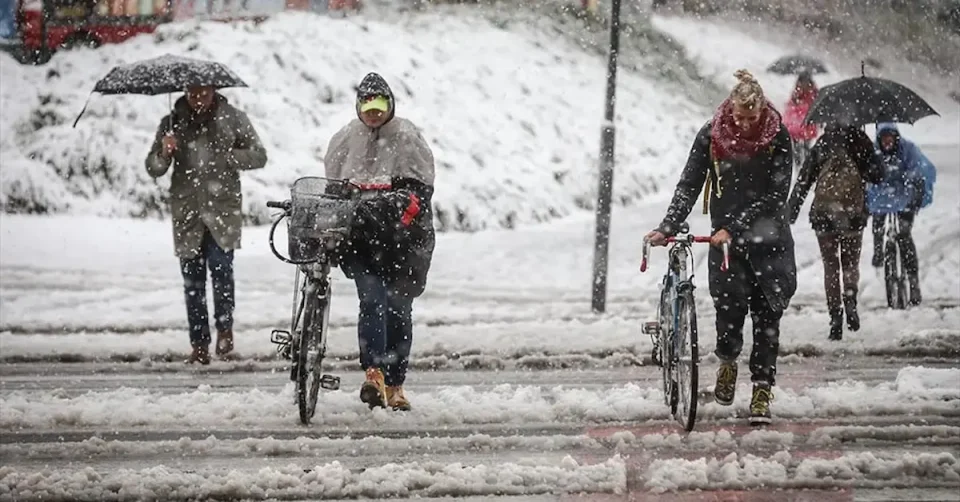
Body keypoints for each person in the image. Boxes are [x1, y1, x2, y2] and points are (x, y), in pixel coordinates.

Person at [645, 69, 796, 426]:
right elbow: (690, 182)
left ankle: (762, 388)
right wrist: (668, 225)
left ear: (762, 111)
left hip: (769, 240)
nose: (744, 125)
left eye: (751, 118)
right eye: (739, 117)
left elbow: (777, 195)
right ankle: (728, 363)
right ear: (730, 109)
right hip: (724, 242)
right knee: (728, 313)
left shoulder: (778, 138)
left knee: (767, 317)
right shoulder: (713, 133)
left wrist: (735, 226)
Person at [324, 72, 436, 411]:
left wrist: (398, 213)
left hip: (403, 243)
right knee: (371, 300)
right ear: (358, 106)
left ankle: (396, 384)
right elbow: (333, 188)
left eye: (379, 104)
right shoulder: (345, 139)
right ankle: (373, 373)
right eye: (367, 105)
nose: (373, 112)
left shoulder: (407, 137)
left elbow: (420, 194)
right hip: (360, 240)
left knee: (399, 308)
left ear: (390, 105)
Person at [145, 85, 267, 365]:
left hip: (222, 212)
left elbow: (259, 155)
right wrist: (164, 152)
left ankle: (225, 329)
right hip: (187, 213)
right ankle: (199, 344)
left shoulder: (233, 118)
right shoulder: (171, 122)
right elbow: (153, 167)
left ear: (214, 90)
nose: (198, 98)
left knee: (222, 271)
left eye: (203, 92)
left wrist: (231, 155)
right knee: (192, 282)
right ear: (185, 92)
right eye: (192, 93)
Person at [787, 124, 883, 340]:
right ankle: (850, 300)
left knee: (831, 266)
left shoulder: (823, 143)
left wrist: (791, 212)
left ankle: (835, 317)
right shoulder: (861, 142)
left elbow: (804, 179)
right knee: (850, 264)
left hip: (823, 215)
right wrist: (869, 158)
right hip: (853, 215)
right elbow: (879, 176)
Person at [867, 122, 937, 306]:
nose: (887, 141)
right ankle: (878, 252)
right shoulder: (873, 152)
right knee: (877, 226)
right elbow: (866, 176)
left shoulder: (909, 149)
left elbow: (920, 169)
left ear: (896, 137)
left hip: (905, 196)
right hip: (881, 196)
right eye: (883, 138)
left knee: (904, 235)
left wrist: (914, 186)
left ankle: (913, 281)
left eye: (890, 137)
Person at [782, 71, 819, 169]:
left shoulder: (814, 92)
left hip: (807, 122)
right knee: (797, 146)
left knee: (806, 146)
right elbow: (792, 105)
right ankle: (799, 164)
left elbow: (816, 105)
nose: (804, 84)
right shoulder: (797, 92)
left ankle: (806, 164)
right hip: (797, 123)